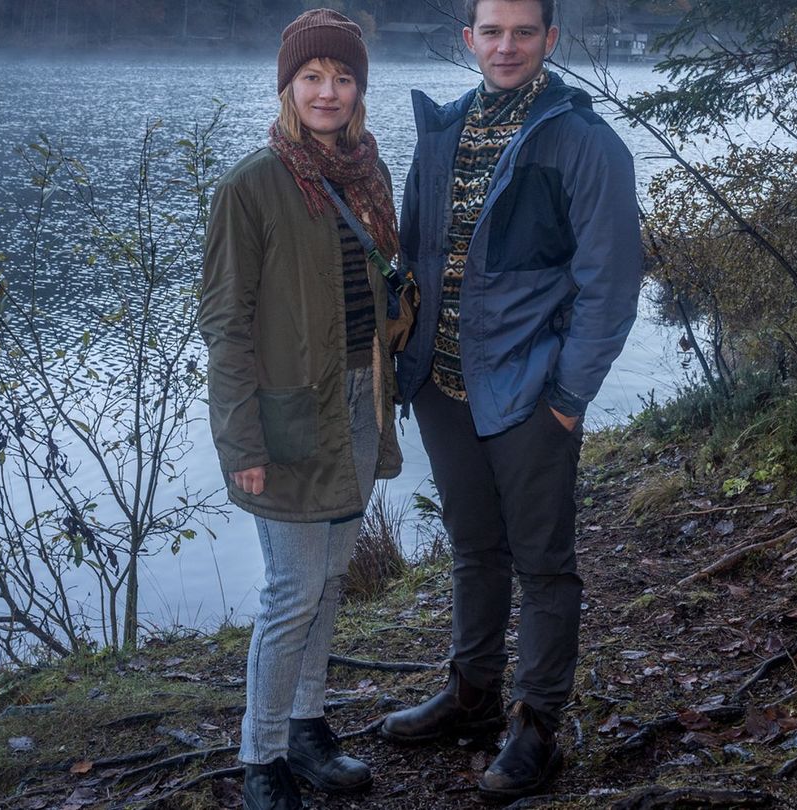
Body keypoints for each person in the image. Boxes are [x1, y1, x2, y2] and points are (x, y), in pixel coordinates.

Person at [381, 0, 642, 799]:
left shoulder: (584, 143)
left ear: (550, 41)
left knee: (544, 564)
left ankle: (536, 727)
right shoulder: (445, 129)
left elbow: (611, 283)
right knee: (474, 549)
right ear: (469, 40)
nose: (506, 45)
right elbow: (416, 250)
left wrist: (567, 395)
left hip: (530, 391)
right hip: (444, 385)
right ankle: (472, 694)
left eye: (523, 31)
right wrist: (403, 361)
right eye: (491, 31)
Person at [198, 9, 403, 810]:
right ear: (288, 85)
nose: (329, 91)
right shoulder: (250, 186)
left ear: (359, 89)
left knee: (333, 578)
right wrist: (238, 440)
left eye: (343, 77)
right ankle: (262, 759)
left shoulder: (368, 174)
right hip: (286, 417)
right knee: (292, 590)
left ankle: (310, 727)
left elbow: (382, 293)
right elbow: (225, 325)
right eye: (312, 77)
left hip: (359, 401)